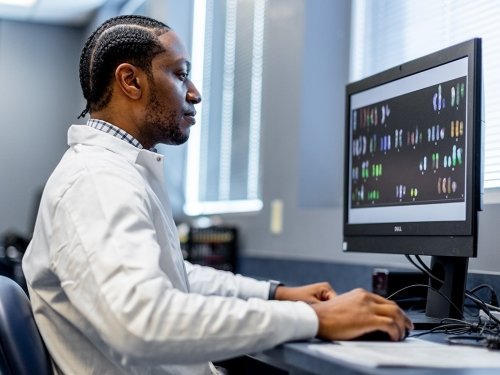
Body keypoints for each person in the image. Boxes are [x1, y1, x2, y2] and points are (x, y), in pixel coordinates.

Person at [22, 15, 413, 375]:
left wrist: (277, 294)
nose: (194, 94)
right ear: (131, 81)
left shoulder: (118, 171)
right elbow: (141, 321)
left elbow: (173, 274)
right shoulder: (98, 181)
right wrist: (315, 319)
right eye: (180, 74)